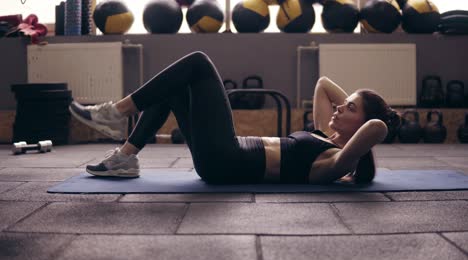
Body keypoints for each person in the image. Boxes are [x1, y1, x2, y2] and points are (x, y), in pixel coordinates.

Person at [69, 51, 400, 184]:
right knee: (173, 88)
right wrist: (356, 108)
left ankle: (116, 113)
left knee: (198, 63)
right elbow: (323, 84)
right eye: (344, 104)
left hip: (225, 159)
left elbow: (377, 126)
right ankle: (125, 157)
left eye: (349, 108)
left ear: (360, 127)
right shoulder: (322, 138)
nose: (339, 107)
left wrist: (369, 119)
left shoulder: (332, 162)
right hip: (222, 155)